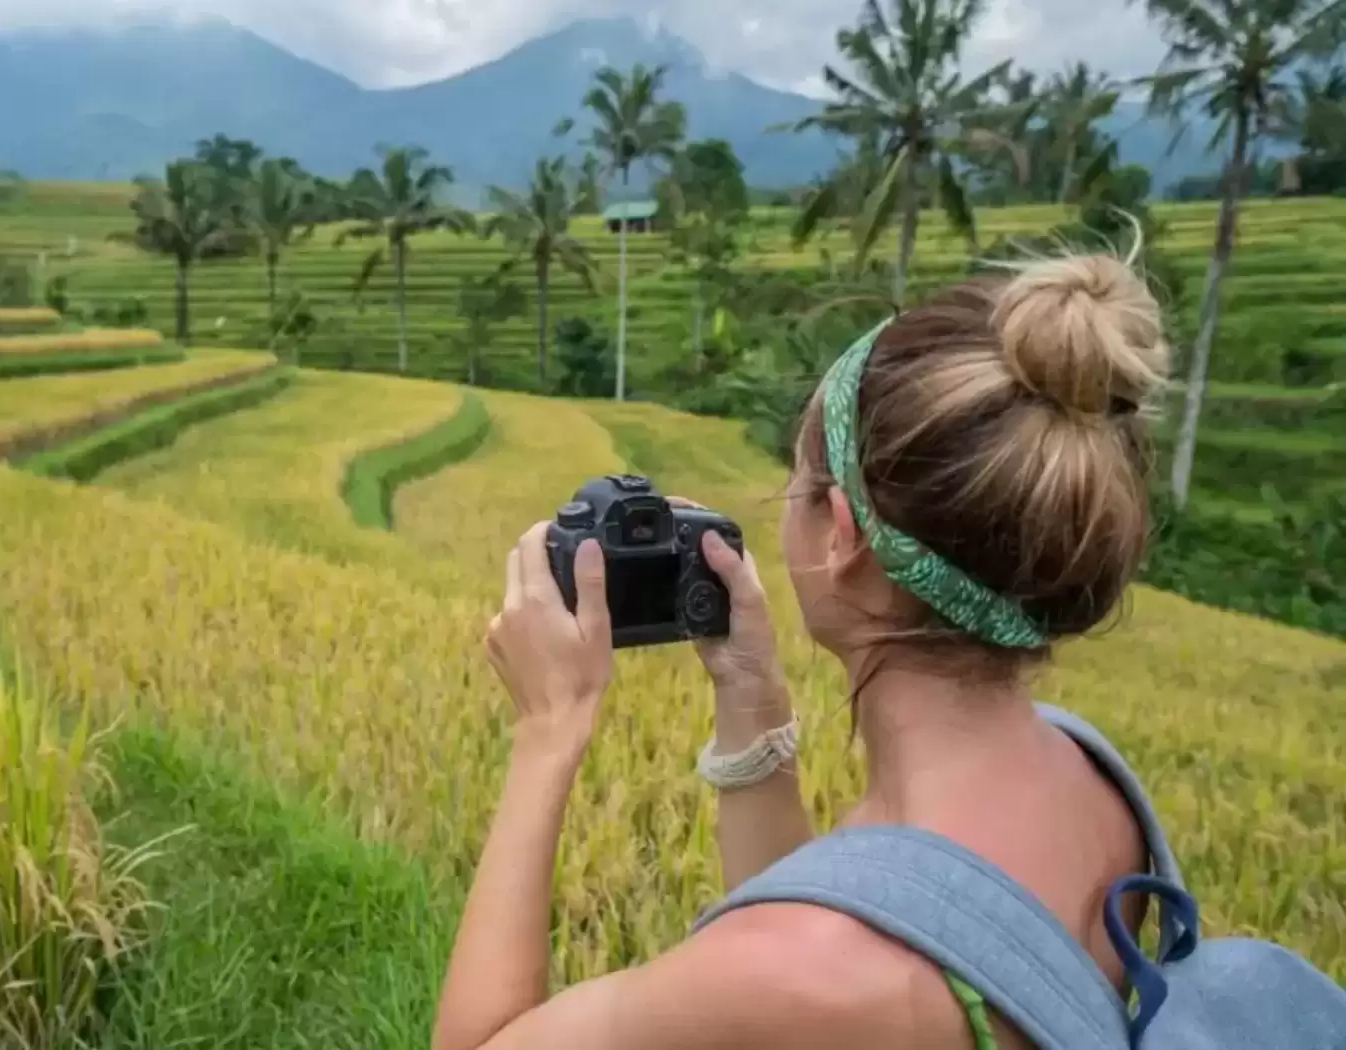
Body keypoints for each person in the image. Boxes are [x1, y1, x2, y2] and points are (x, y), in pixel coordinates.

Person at [431, 248, 1176, 1050]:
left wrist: (550, 729)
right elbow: (859, 909)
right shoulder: (1092, 782)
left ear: (843, 538)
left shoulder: (802, 977)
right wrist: (752, 702)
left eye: (797, 478)